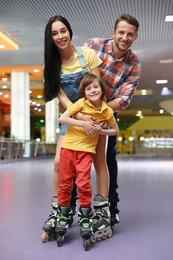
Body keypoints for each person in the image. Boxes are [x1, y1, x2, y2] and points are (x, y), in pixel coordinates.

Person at [42, 15, 112, 242]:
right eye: (54, 33)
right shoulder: (51, 65)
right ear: (50, 38)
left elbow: (97, 88)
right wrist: (79, 116)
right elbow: (62, 97)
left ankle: (101, 210)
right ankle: (58, 210)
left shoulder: (88, 55)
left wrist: (92, 120)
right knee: (58, 163)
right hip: (72, 118)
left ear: (70, 31)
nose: (60, 36)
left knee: (99, 162)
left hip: (95, 118)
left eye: (63, 31)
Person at [84, 13, 141, 224]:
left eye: (130, 34)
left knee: (108, 158)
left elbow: (124, 99)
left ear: (135, 37)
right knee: (75, 157)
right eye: (122, 32)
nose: (125, 37)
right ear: (113, 33)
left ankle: (110, 204)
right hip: (81, 110)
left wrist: (101, 111)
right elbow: (77, 74)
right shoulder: (93, 45)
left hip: (108, 112)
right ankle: (70, 202)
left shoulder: (134, 64)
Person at [56, 73, 119, 247]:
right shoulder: (81, 104)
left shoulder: (106, 110)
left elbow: (115, 130)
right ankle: (62, 213)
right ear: (84, 92)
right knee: (66, 183)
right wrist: (83, 123)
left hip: (86, 151)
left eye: (95, 87)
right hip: (68, 147)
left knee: (83, 183)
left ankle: (84, 215)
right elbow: (63, 118)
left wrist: (101, 132)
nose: (92, 90)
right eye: (88, 88)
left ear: (102, 89)